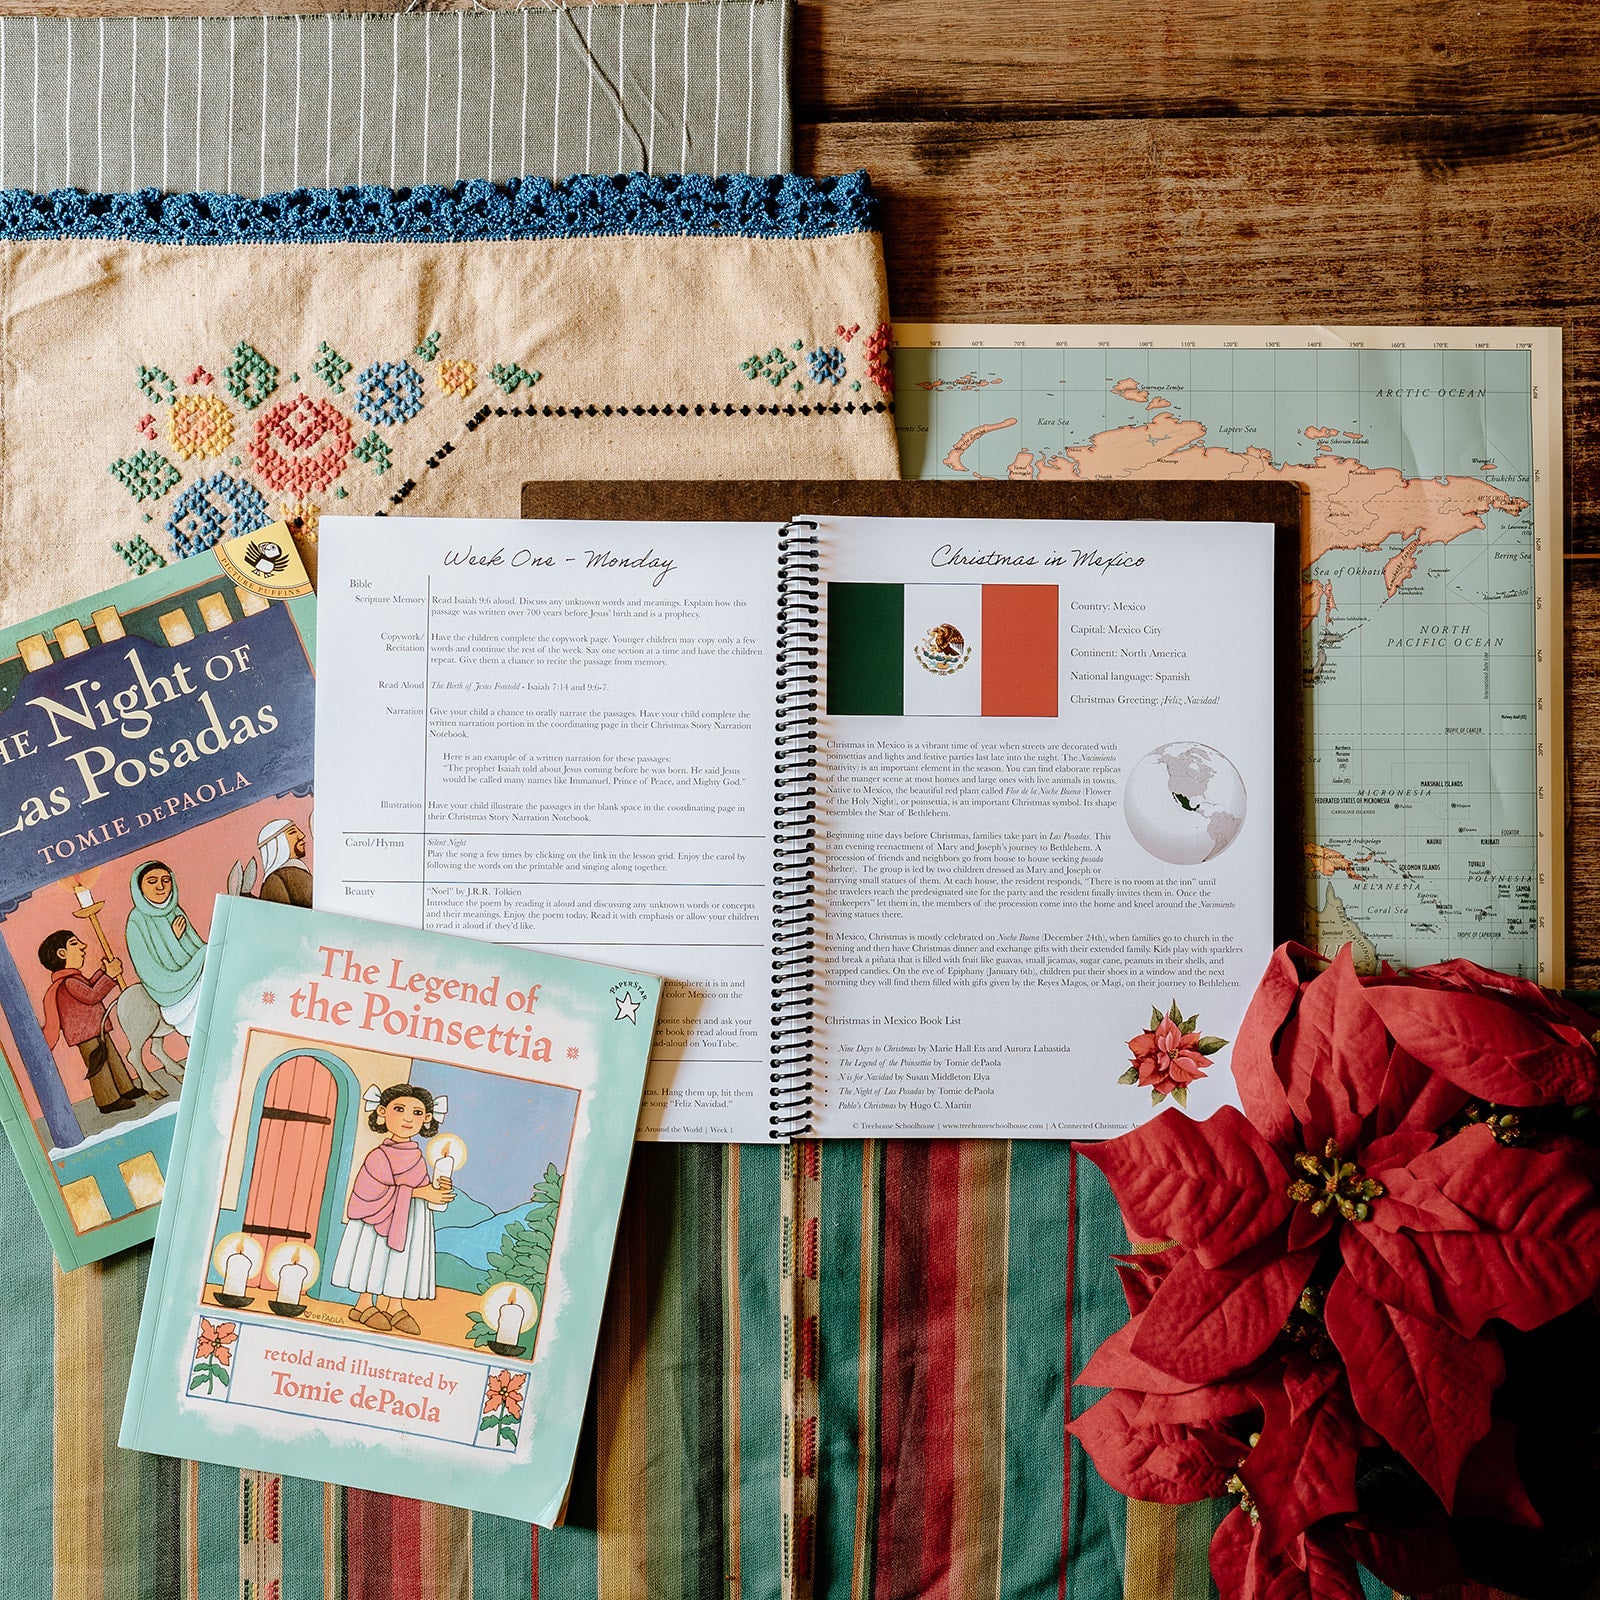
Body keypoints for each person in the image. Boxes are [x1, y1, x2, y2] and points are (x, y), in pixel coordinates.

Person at [328, 1084, 452, 1334]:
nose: (408, 1118)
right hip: (376, 1219)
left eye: (417, 1113)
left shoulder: (416, 1156)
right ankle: (364, 1304)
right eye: (399, 1109)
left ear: (427, 1118)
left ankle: (394, 1305)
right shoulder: (378, 1156)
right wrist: (417, 1193)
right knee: (374, 1257)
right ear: (383, 1112)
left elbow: (420, 1186)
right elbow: (370, 1191)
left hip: (409, 1219)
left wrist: (437, 1189)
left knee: (399, 1261)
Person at [37, 932, 162, 1112]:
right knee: (99, 1065)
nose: (83, 946)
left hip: (97, 1027)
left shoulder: (74, 978)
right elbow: (92, 995)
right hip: (85, 1034)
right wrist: (109, 976)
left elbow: (90, 985)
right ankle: (108, 1100)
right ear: (62, 953)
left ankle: (125, 1088)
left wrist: (104, 972)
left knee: (112, 1058)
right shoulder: (69, 982)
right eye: (75, 943)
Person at [123, 861, 208, 1043]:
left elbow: (196, 947)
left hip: (194, 973)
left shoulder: (175, 911)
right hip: (171, 987)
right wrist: (171, 938)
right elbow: (148, 969)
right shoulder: (136, 920)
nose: (160, 887)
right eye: (152, 881)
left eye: (166, 880)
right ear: (139, 887)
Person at [256, 818, 312, 907]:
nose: (302, 835)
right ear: (278, 843)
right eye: (292, 832)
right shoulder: (275, 880)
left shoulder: (303, 873)